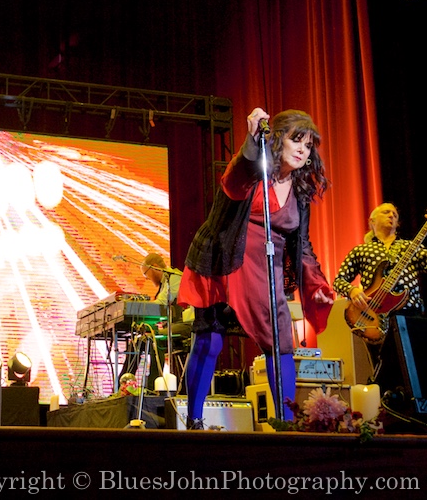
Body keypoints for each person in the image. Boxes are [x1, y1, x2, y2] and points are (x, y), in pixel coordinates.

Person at [177, 107, 336, 428]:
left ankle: (287, 424)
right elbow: (233, 182)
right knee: (210, 341)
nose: (304, 148)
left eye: (309, 144)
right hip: (222, 264)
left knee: (282, 343)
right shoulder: (253, 172)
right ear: (277, 140)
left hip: (266, 275)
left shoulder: (299, 194)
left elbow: (301, 244)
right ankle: (193, 420)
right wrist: (251, 141)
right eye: (297, 139)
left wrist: (317, 286)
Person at [332, 201, 427, 374]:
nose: (392, 215)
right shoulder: (361, 251)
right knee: (384, 372)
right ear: (372, 221)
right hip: (374, 317)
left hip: (409, 314)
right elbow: (339, 280)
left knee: (417, 369)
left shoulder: (409, 246)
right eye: (386, 212)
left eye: (395, 214)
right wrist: (353, 290)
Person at [118, 253, 193, 389]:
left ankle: (153, 385)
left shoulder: (175, 278)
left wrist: (139, 305)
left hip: (187, 325)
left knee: (154, 338)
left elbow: (162, 303)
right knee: (140, 341)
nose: (147, 279)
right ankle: (122, 384)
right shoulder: (165, 282)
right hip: (175, 324)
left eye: (146, 275)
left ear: (155, 267)